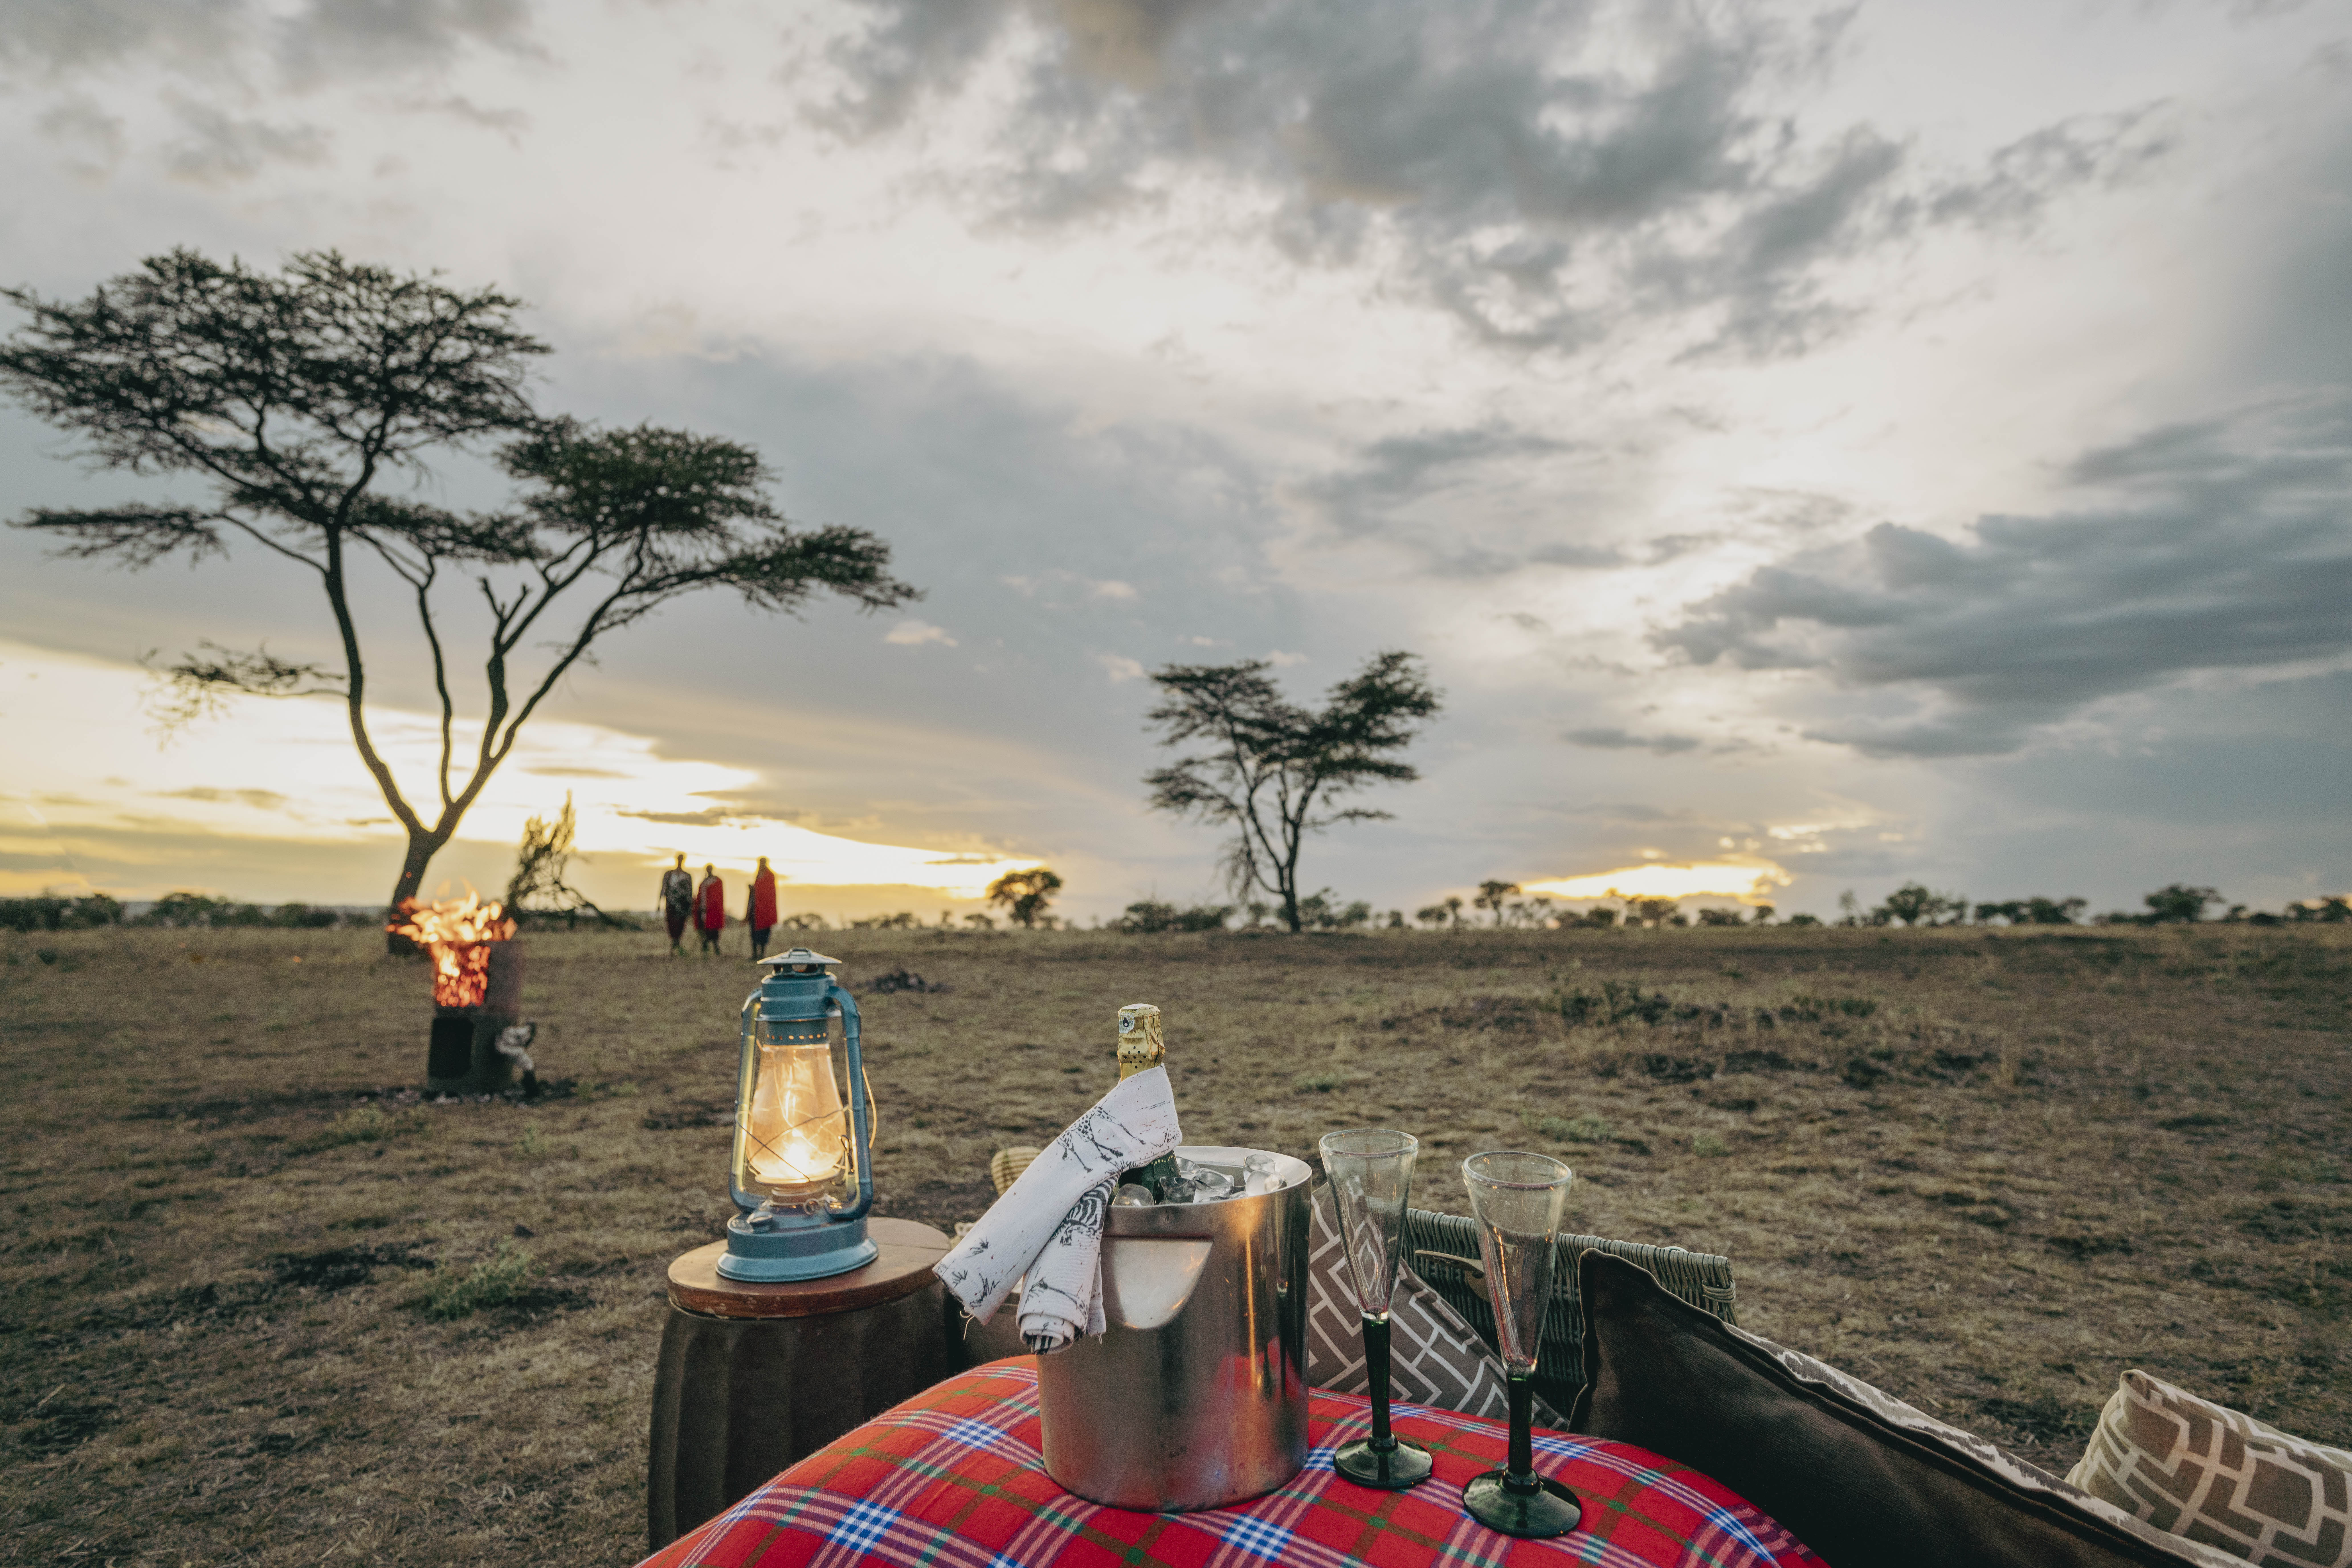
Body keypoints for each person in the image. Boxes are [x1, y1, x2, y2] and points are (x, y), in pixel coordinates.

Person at [658, 854, 693, 957]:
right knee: (671, 924)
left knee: (681, 924)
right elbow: (663, 888)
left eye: (682, 859)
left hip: (683, 906)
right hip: (671, 904)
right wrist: (659, 903)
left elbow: (690, 892)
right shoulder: (669, 874)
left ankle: (678, 943)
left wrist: (690, 906)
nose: (680, 861)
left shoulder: (687, 876)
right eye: (679, 859)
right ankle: (674, 943)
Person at [746, 856, 779, 961]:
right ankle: (755, 954)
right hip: (756, 909)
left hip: (765, 910)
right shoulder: (759, 875)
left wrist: (755, 889)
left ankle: (762, 954)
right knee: (754, 932)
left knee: (764, 932)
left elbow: (768, 893)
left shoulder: (770, 876)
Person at [695, 864, 726, 956]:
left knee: (714, 931)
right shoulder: (704, 883)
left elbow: (718, 897)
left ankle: (716, 949)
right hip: (704, 911)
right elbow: (700, 896)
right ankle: (705, 949)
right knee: (704, 931)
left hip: (714, 911)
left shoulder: (718, 882)